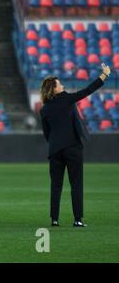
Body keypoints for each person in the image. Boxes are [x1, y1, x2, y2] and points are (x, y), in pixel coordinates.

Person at [39, 63, 111, 227]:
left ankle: (54, 219)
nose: (62, 85)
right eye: (59, 84)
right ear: (54, 89)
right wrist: (104, 75)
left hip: (55, 150)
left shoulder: (44, 110)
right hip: (72, 148)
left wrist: (55, 143)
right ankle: (77, 219)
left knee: (56, 186)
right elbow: (88, 90)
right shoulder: (67, 99)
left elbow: (46, 133)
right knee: (76, 184)